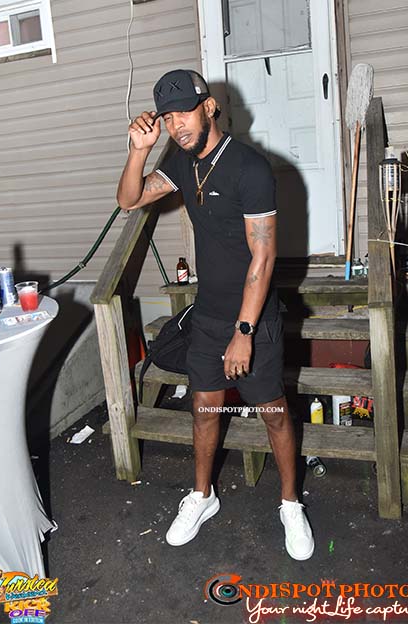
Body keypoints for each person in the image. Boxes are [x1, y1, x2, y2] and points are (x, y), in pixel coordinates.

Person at [117, 69, 314, 560]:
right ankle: (203, 496)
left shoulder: (250, 168)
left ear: (209, 107)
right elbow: (129, 200)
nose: (176, 125)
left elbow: (263, 256)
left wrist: (244, 332)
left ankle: (291, 503)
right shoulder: (182, 162)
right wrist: (139, 150)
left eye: (184, 113)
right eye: (167, 118)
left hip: (254, 319)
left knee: (273, 414)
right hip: (206, 315)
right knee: (204, 409)